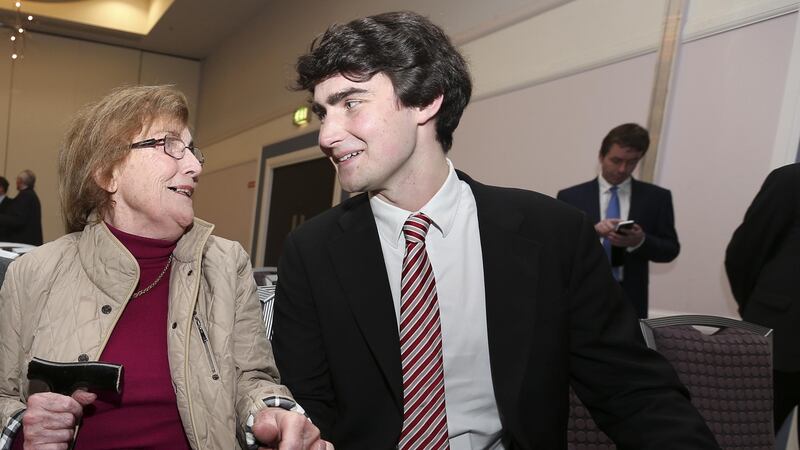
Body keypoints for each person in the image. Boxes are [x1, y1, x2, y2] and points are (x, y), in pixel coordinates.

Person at [272, 11, 717, 449]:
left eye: (350, 103)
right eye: (321, 113)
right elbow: (308, 405)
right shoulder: (310, 251)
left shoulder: (553, 234)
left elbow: (632, 392)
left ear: (426, 100)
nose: (327, 135)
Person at [0, 86, 330, 450]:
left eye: (191, 150)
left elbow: (252, 379)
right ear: (107, 174)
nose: (194, 165)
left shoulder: (225, 264)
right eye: (171, 145)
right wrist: (21, 431)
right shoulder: (33, 273)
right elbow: (3, 394)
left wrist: (269, 414)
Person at [557, 124, 679, 318]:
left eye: (632, 162)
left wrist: (639, 241)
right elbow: (558, 249)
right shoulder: (570, 197)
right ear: (601, 156)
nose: (622, 169)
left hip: (630, 299)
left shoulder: (657, 197)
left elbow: (670, 249)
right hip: (581, 296)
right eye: (616, 160)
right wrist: (592, 232)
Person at [725, 162, 800, 442]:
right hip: (776, 345)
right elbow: (743, 254)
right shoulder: (791, 180)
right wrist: (759, 312)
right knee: (748, 440)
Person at [0, 170, 42, 246]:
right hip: (28, 242)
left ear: (20, 181)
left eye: (17, 179)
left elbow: (18, 220)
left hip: (24, 243)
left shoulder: (25, 196)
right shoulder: (30, 195)